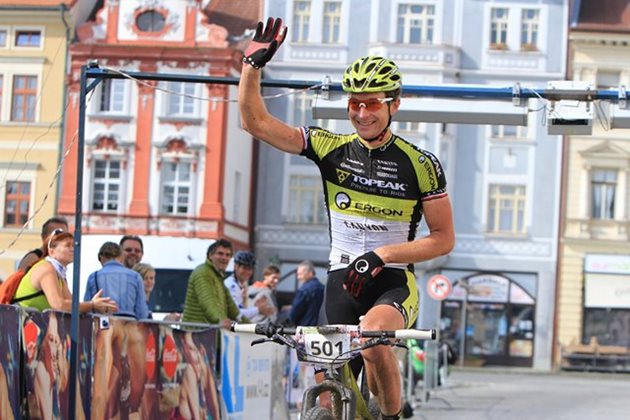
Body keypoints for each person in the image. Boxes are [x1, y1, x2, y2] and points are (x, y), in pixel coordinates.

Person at [238, 18, 455, 419]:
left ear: (394, 105)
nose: (361, 112)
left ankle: (391, 416)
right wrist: (251, 67)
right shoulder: (329, 147)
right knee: (327, 397)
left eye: (371, 103)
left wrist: (382, 254)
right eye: (354, 103)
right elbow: (256, 123)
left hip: (391, 282)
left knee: (373, 340)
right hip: (340, 282)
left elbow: (442, 239)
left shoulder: (420, 164)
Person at [14, 229, 118, 314]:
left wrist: (93, 305)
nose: (73, 249)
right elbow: (59, 305)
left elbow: (71, 305)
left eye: (74, 246)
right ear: (51, 251)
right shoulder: (46, 269)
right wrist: (92, 305)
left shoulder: (58, 274)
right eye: (67, 245)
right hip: (20, 327)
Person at [182, 239, 243, 328]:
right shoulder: (202, 272)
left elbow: (232, 309)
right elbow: (207, 301)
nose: (224, 258)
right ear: (210, 256)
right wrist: (220, 320)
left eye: (228, 255)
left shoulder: (218, 276)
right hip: (196, 335)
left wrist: (253, 326)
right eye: (220, 253)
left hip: (208, 334)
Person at [84, 242, 149, 320]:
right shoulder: (135, 276)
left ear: (101, 257)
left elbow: (87, 309)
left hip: (103, 325)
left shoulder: (93, 277)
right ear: (121, 256)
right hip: (129, 325)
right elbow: (142, 313)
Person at [224, 251, 275, 321]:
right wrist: (258, 309)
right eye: (244, 268)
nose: (247, 272)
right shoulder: (231, 285)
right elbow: (236, 314)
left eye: (250, 269)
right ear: (236, 266)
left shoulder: (241, 284)